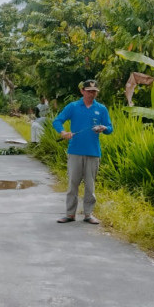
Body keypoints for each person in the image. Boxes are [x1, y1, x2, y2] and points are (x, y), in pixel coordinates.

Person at [52, 80, 113, 224]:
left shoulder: (101, 109)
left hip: (93, 152)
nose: (92, 94)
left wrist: (104, 128)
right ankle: (70, 214)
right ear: (82, 91)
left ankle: (88, 214)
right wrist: (63, 132)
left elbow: (110, 129)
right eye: (89, 91)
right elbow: (57, 121)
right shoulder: (73, 107)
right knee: (73, 184)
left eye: (94, 91)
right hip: (75, 151)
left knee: (90, 185)